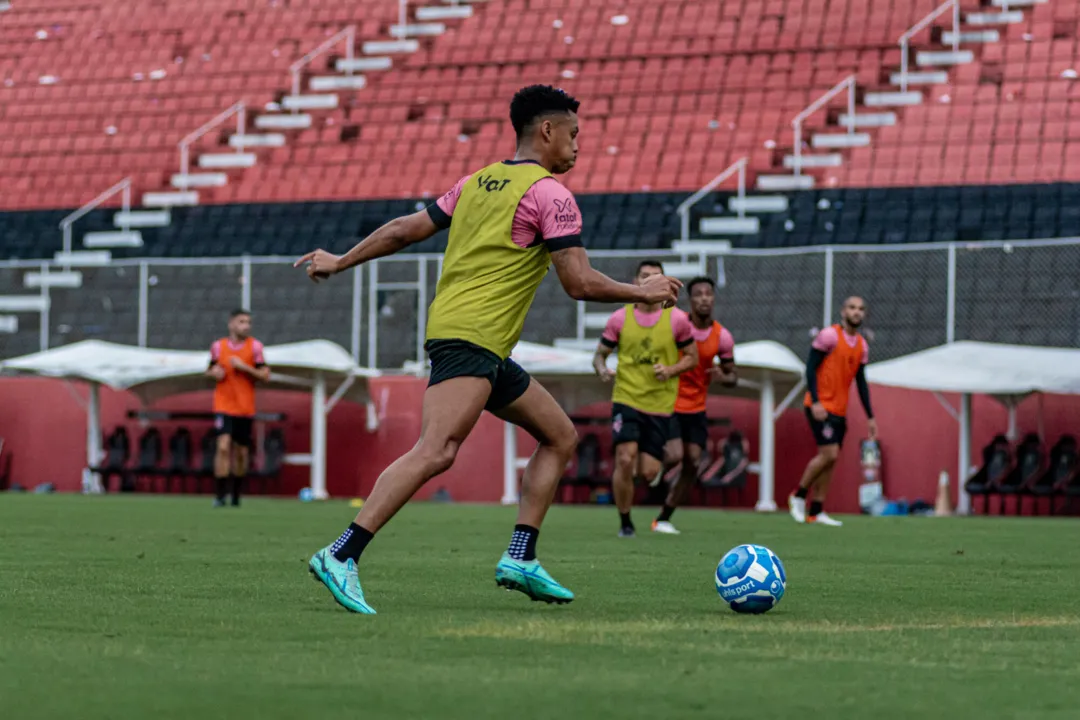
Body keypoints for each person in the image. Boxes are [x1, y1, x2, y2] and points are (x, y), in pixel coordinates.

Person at [294, 85, 682, 614]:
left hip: (479, 343)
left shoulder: (477, 182)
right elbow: (578, 282)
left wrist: (341, 260)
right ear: (546, 131)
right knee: (437, 450)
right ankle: (342, 554)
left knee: (559, 436)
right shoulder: (550, 194)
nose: (577, 146)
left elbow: (407, 229)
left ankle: (521, 556)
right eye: (573, 135)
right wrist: (644, 291)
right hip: (470, 338)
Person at [593, 260, 699, 538]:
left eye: (655, 276)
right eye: (644, 276)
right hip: (626, 397)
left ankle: (651, 472)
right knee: (624, 459)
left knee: (648, 471)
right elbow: (599, 355)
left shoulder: (677, 320)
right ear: (636, 281)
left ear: (663, 281)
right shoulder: (619, 318)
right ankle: (625, 522)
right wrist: (603, 369)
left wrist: (671, 369)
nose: (649, 281)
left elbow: (693, 358)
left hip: (659, 404)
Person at [652, 276, 736, 534]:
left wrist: (724, 377)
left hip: (697, 407)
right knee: (676, 455)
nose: (704, 298)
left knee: (693, 463)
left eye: (708, 293)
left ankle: (664, 517)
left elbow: (733, 375)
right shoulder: (677, 324)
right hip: (671, 401)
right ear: (691, 299)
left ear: (713, 298)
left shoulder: (723, 337)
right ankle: (653, 464)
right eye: (698, 294)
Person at [789, 296, 877, 526]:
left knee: (831, 460)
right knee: (830, 454)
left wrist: (870, 416)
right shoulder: (829, 336)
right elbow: (810, 368)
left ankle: (816, 510)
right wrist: (816, 401)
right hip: (820, 407)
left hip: (839, 411)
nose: (856, 312)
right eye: (852, 307)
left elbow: (861, 382)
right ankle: (798, 496)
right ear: (843, 311)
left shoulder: (861, 346)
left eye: (860, 309)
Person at [206, 309, 270, 508]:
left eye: (248, 322)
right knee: (223, 446)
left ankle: (235, 494)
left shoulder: (255, 347)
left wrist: (245, 367)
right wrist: (213, 372)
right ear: (231, 324)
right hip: (223, 405)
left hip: (245, 407)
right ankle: (219, 495)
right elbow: (209, 370)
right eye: (242, 322)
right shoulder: (218, 347)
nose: (246, 326)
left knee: (241, 452)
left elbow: (265, 375)